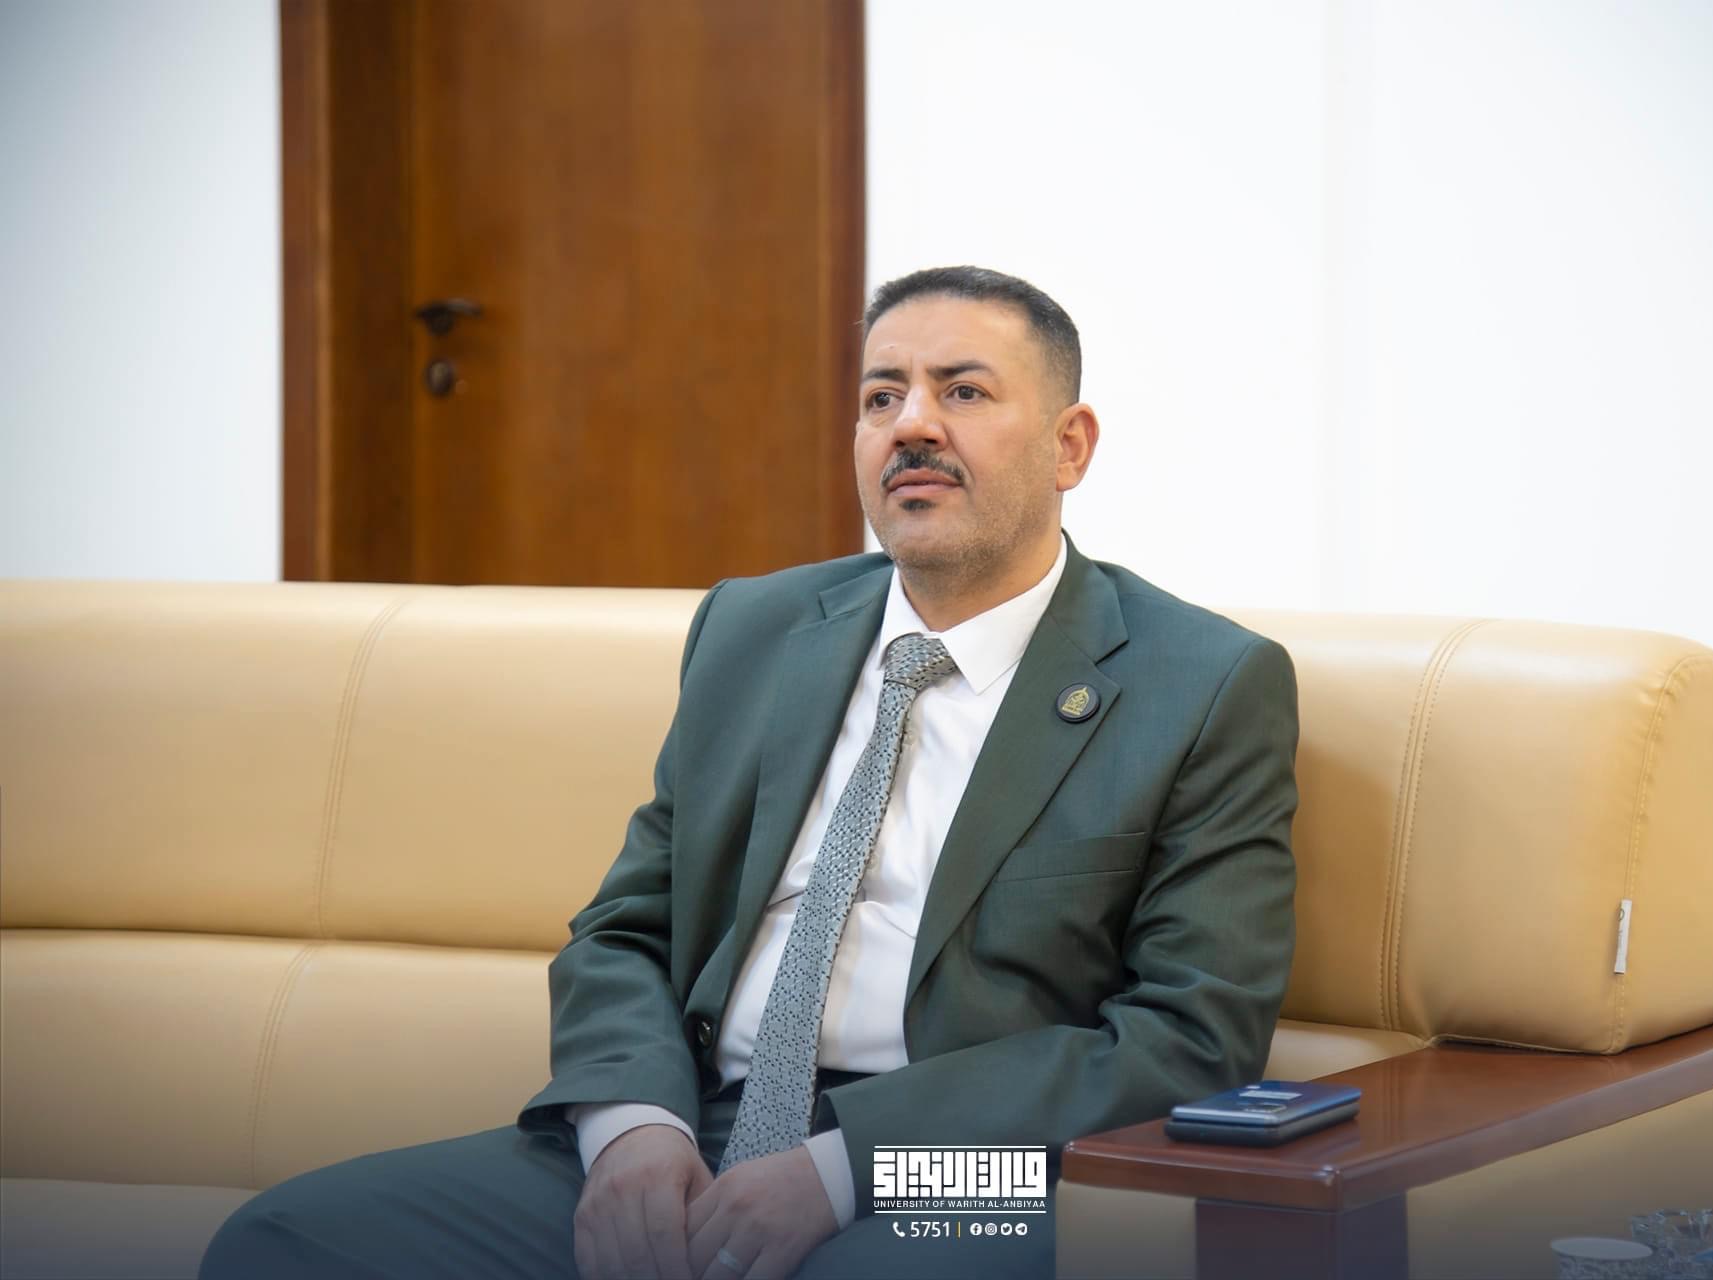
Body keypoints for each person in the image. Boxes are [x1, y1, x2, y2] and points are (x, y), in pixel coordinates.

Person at [202, 266, 1298, 1280]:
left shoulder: (1199, 682)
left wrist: (841, 1168)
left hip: (969, 1164)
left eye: (962, 392)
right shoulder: (754, 629)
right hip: (696, 1123)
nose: (911, 424)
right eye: (881, 397)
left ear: (1070, 446)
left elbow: (1191, 1037)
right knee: (287, 1242)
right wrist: (632, 1129)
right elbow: (626, 928)